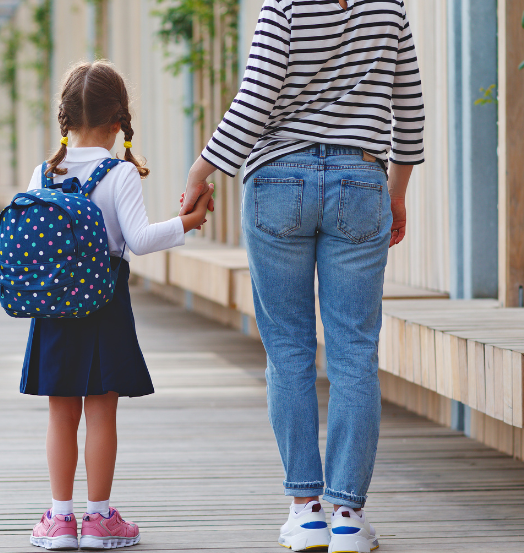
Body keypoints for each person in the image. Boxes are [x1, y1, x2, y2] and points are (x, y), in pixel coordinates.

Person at [180, 0, 424, 551]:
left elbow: (255, 98)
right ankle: (349, 518)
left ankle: (306, 512)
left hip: (277, 179)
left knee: (288, 349)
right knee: (354, 351)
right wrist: (397, 192)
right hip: (361, 178)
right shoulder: (390, 8)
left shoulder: (285, 6)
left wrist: (202, 169)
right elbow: (409, 111)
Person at [23, 60, 213, 551]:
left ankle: (59, 520)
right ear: (118, 121)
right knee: (101, 413)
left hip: (54, 308)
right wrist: (188, 222)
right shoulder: (119, 172)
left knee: (60, 414)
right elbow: (140, 240)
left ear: (65, 118)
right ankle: (100, 518)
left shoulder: (43, 173)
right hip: (104, 304)